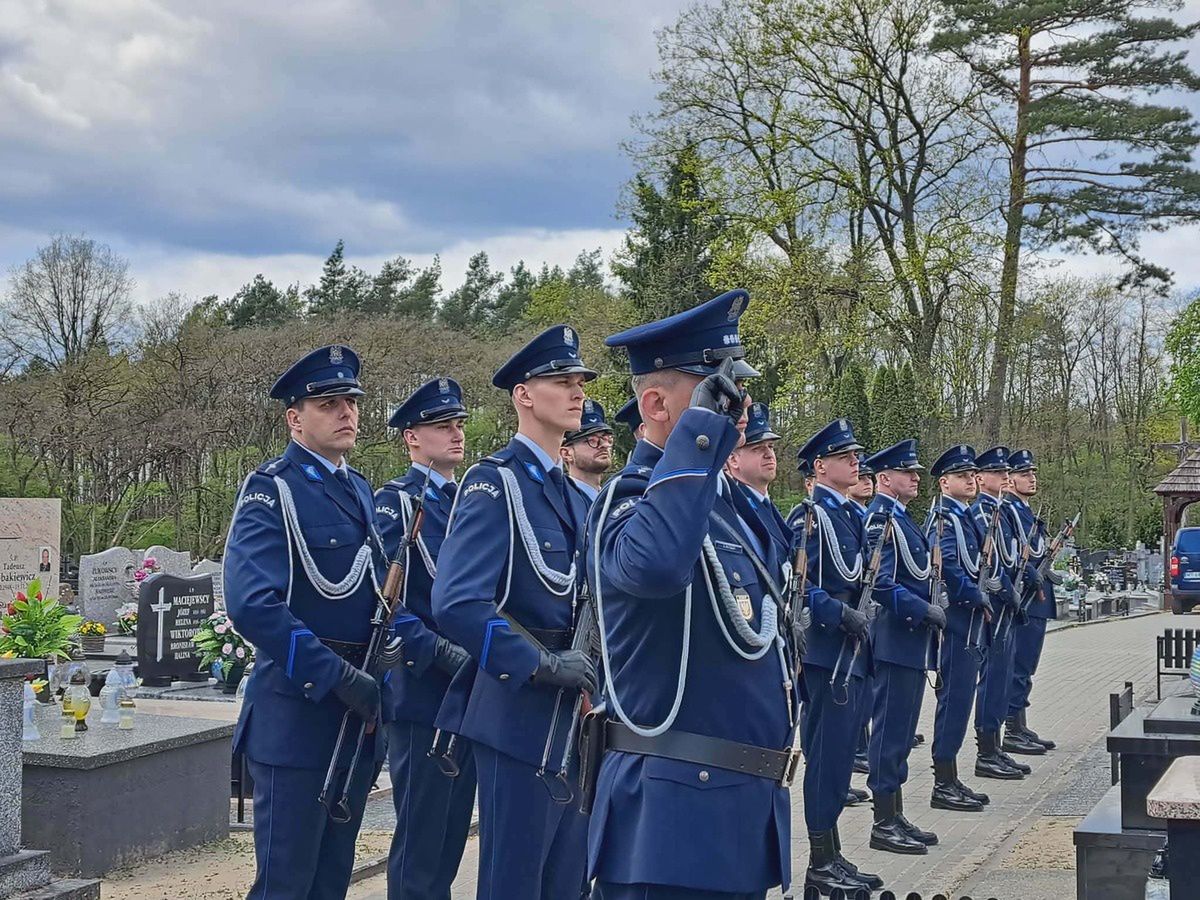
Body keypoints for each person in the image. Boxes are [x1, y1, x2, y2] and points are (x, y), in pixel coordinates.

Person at [586, 289, 796, 900]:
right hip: (670, 825)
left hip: (733, 813)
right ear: (654, 403)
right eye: (717, 389)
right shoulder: (626, 501)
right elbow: (654, 568)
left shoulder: (723, 508)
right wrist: (699, 435)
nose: (739, 405)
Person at [224, 345, 397, 900]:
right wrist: (338, 679)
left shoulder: (360, 489)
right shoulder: (271, 489)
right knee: (286, 885)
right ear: (295, 419)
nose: (347, 412)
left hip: (355, 720)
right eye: (329, 403)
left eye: (351, 401)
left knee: (329, 884)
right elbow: (252, 603)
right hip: (299, 716)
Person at [431, 325, 596, 900]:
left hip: (577, 716)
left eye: (579, 381)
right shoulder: (493, 482)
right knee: (515, 883)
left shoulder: (574, 496)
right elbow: (456, 601)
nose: (577, 391)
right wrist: (543, 665)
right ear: (524, 395)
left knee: (567, 882)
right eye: (561, 381)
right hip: (519, 710)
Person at [375, 377, 475, 900]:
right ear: (412, 437)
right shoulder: (396, 503)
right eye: (442, 426)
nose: (456, 434)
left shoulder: (470, 501)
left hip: (472, 691)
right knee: (421, 843)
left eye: (459, 424)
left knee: (452, 838)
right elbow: (385, 603)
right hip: (424, 691)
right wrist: (438, 652)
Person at [789, 419, 882, 896]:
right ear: (820, 466)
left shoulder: (847, 515)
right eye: (846, 457)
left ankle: (833, 855)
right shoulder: (809, 516)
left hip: (854, 655)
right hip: (829, 657)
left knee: (843, 760)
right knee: (826, 761)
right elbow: (800, 590)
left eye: (856, 456)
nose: (856, 463)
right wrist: (841, 614)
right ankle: (820, 863)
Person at [862, 440, 943, 855]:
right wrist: (923, 610)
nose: (915, 477)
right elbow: (882, 582)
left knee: (902, 730)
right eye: (906, 472)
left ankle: (894, 812)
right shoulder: (880, 518)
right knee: (889, 733)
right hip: (895, 637)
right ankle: (882, 821)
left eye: (915, 471)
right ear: (883, 479)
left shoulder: (902, 519)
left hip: (910, 641)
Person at [925, 445, 992, 812]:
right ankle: (942, 781)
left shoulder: (966, 515)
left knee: (963, 698)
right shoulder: (945, 519)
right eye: (962, 476)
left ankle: (950, 776)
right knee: (954, 700)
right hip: (957, 619)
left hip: (969, 618)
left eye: (971, 475)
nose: (970, 480)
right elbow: (949, 565)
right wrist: (976, 597)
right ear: (944, 482)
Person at [971, 446, 1029, 780]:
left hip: (1006, 604)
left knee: (1003, 677)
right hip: (996, 606)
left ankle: (996, 748)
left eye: (1005, 471)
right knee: (992, 679)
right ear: (981, 478)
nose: (1005, 475)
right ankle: (987, 751)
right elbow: (990, 564)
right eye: (997, 471)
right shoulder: (982, 512)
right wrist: (1010, 594)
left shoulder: (1000, 511)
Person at [1003, 449, 1059, 754]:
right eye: (1024, 474)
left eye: (1032, 473)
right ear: (1009, 480)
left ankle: (1019, 724)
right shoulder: (1010, 512)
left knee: (1027, 666)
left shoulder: (1026, 512)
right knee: (1019, 665)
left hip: (1037, 600)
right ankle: (1011, 727)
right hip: (1025, 601)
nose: (1031, 478)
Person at [725, 401, 792, 561]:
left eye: (771, 446)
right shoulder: (735, 509)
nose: (769, 454)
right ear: (733, 459)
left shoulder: (765, 505)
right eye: (758, 448)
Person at [848, 451, 874, 780]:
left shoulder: (858, 517)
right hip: (836, 631)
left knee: (862, 702)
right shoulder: (815, 516)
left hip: (863, 624)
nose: (863, 480)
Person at [561, 398, 614, 503]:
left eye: (606, 438)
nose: (604, 445)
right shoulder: (562, 501)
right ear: (566, 453)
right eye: (592, 441)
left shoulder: (612, 499)